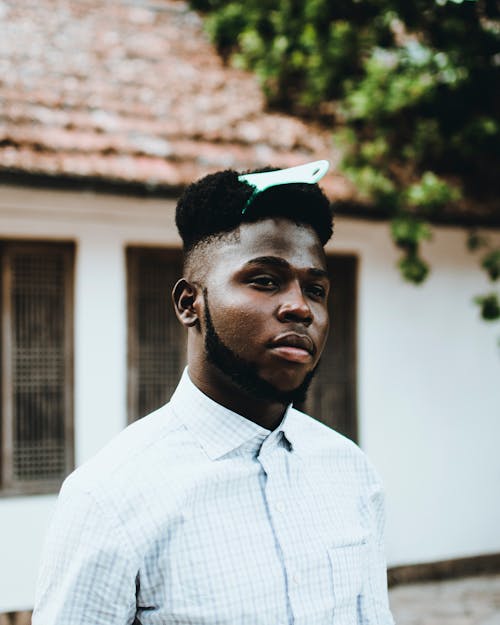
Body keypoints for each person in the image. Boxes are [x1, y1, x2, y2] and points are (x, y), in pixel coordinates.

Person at [32, 161, 394, 624]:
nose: (300, 308)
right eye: (265, 280)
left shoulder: (351, 473)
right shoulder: (110, 498)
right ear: (189, 304)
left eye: (316, 289)